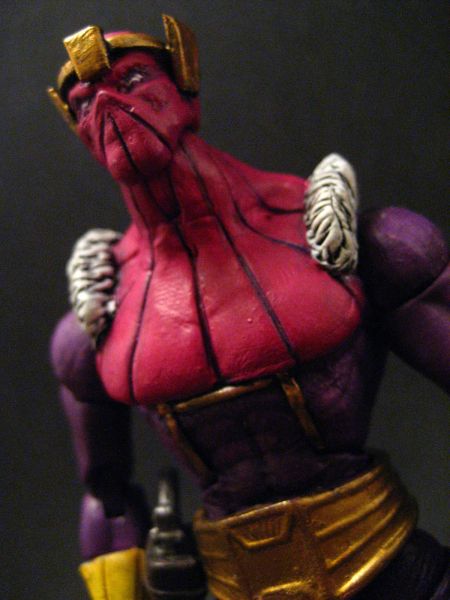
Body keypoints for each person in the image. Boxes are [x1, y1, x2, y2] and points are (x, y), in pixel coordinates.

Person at [49, 15, 449, 600]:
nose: (108, 105)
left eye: (132, 78)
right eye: (84, 105)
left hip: (385, 566)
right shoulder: (94, 324)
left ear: (185, 93)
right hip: (235, 581)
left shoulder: (362, 243)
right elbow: (106, 497)